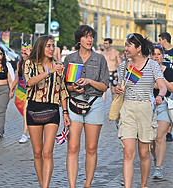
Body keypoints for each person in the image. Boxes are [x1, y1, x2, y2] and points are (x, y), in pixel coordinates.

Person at [116, 33, 166, 188]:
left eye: (129, 45)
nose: (126, 48)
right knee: (128, 152)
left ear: (139, 48)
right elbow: (120, 85)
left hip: (145, 108)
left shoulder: (152, 65)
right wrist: (118, 89)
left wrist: (160, 97)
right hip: (128, 109)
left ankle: (143, 185)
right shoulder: (124, 66)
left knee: (144, 153)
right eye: (125, 45)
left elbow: (162, 85)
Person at [64, 25, 109, 188]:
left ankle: (88, 184)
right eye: (86, 36)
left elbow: (105, 86)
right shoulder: (70, 59)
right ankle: (72, 185)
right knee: (73, 146)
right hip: (74, 103)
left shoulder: (100, 59)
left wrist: (89, 81)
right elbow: (64, 86)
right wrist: (72, 87)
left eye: (91, 36)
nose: (90, 39)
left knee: (91, 148)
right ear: (79, 40)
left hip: (94, 104)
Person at [23, 35, 70, 187]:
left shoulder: (58, 65)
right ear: (41, 47)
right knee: (37, 152)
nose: (51, 49)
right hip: (34, 110)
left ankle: (45, 186)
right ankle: (41, 182)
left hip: (52, 111)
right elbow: (29, 82)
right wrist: (49, 72)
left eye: (53, 45)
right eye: (48, 46)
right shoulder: (30, 63)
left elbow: (62, 90)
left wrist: (65, 112)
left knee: (47, 152)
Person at [150, 45, 173, 180]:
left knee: (160, 136)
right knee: (151, 140)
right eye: (153, 54)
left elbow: (172, 88)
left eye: (158, 54)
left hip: (164, 106)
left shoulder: (169, 71)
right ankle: (156, 159)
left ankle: (159, 167)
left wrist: (161, 79)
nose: (156, 56)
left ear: (162, 56)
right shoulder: (146, 70)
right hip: (148, 107)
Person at [10, 44, 31, 143]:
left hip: (30, 89)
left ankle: (25, 133)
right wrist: (12, 89)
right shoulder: (19, 63)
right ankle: (31, 125)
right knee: (19, 105)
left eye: (25, 53)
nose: (23, 55)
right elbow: (17, 77)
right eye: (22, 53)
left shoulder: (33, 63)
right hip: (21, 88)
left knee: (26, 111)